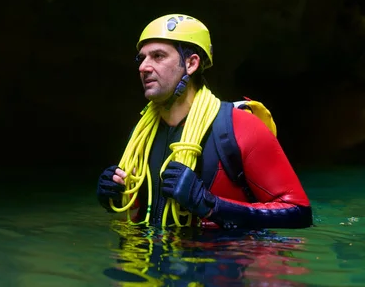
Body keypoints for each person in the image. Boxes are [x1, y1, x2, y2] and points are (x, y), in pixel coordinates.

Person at [96, 13, 313, 229]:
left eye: (158, 56)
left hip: (222, 258)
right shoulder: (142, 133)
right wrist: (116, 196)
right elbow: (143, 209)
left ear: (191, 64)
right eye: (141, 58)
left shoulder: (239, 126)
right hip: (149, 256)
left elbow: (299, 213)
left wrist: (210, 204)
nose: (143, 67)